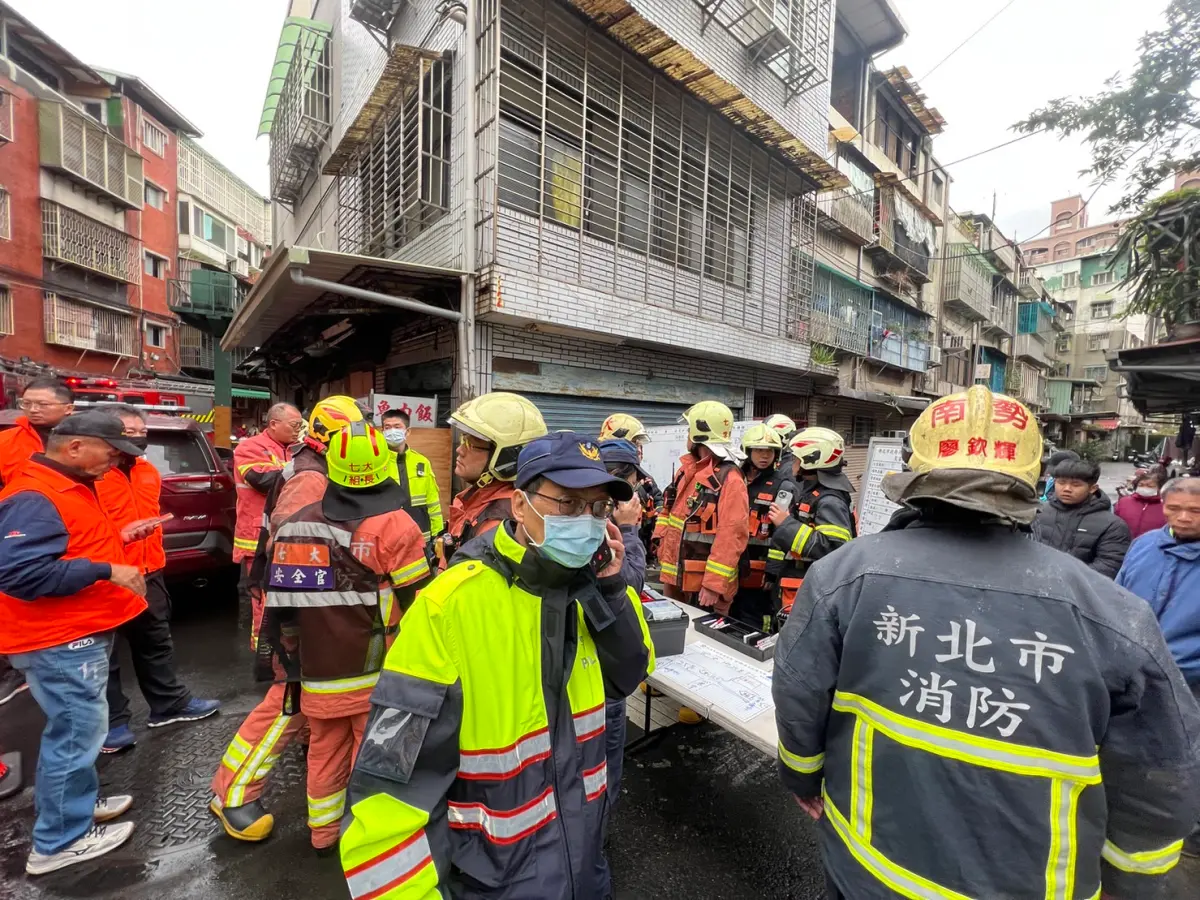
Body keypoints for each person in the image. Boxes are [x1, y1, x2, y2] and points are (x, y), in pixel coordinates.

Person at [772, 386, 1200, 900]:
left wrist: (801, 777)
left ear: (913, 473)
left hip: (868, 867)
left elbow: (799, 692)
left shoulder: (845, 574)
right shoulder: (1111, 612)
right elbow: (1160, 771)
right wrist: (1134, 882)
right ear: (1033, 482)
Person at [339, 431, 654, 899]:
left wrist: (609, 589)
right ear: (520, 506)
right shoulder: (449, 609)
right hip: (493, 885)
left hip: (585, 873)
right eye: (567, 504)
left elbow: (630, 674)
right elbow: (389, 799)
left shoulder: (598, 589)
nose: (585, 522)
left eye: (597, 509)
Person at [251, 420, 432, 851]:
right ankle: (366, 840)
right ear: (385, 465)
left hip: (315, 671)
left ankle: (324, 833)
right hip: (376, 672)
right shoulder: (395, 526)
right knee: (374, 758)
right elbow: (419, 604)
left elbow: (285, 607)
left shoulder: (295, 526)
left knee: (324, 754)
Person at [0, 411, 158, 875]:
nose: (114, 463)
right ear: (74, 447)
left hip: (74, 630)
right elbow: (20, 573)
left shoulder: (67, 487)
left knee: (80, 730)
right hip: (59, 638)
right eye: (110, 453)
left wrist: (119, 539)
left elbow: (68, 548)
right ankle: (59, 842)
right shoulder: (34, 496)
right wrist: (108, 569)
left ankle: (77, 807)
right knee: (74, 734)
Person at [209, 395, 364, 842]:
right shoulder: (310, 480)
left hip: (304, 606)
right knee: (291, 697)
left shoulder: (310, 467)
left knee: (305, 703)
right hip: (299, 609)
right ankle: (233, 791)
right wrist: (301, 630)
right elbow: (295, 558)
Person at [98, 406, 219, 753]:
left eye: (140, 429)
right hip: (106, 574)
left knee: (156, 641)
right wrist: (118, 537)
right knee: (105, 655)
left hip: (149, 569)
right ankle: (112, 722)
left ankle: (167, 705)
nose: (136, 436)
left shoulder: (148, 471)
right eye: (127, 430)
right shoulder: (91, 475)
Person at [1116, 477, 1200, 856]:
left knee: (1189, 755)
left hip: (1191, 680)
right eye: (1174, 508)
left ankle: (1192, 827)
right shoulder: (1145, 546)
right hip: (1135, 670)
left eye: (1195, 512)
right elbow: (1118, 598)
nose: (1183, 518)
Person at [655, 401, 749, 616]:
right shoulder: (686, 470)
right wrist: (660, 545)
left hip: (704, 586)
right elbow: (671, 514)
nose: (687, 434)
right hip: (677, 575)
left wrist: (713, 584)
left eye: (690, 429)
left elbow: (732, 534)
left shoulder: (730, 478)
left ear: (699, 434)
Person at [598, 438, 649, 818]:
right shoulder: (601, 527)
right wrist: (628, 530)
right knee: (600, 775)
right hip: (602, 676)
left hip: (595, 667)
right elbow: (627, 583)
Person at [440, 392, 547, 563]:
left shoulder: (499, 522)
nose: (460, 450)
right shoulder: (478, 499)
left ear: (507, 457)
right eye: (463, 439)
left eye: (472, 444)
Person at [767, 426, 855, 624]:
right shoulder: (814, 491)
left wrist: (786, 524)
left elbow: (833, 548)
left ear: (811, 460)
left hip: (811, 586)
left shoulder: (830, 499)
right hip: (800, 581)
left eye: (797, 458)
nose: (793, 463)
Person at [232, 403, 302, 628]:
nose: (297, 430)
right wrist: (304, 468)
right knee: (263, 597)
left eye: (300, 426)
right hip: (257, 538)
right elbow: (261, 481)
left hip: (289, 535)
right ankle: (265, 653)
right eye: (294, 425)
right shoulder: (250, 448)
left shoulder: (296, 449)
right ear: (273, 424)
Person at [733, 423, 796, 632]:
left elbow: (782, 531)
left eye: (770, 451)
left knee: (755, 616)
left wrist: (772, 572)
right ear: (747, 451)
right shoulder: (735, 478)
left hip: (759, 566)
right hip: (732, 560)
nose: (764, 455)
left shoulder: (783, 485)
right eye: (759, 450)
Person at [1032, 456, 1131, 578]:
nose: (1067, 489)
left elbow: (1109, 565)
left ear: (1092, 488)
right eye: (1061, 482)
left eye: (1076, 484)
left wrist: (1062, 579)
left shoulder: (1113, 526)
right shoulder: (1038, 512)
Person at [599, 414, 661, 559]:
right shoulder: (599, 478)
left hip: (637, 549)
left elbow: (658, 499)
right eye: (635, 442)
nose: (639, 449)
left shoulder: (645, 479)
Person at [382, 407, 444, 544]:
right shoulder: (377, 462)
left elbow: (433, 502)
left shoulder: (422, 462)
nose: (392, 431)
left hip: (421, 538)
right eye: (387, 427)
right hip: (389, 539)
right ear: (382, 432)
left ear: (407, 431)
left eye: (397, 426)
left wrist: (438, 534)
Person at [0, 376, 74, 486]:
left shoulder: (88, 439)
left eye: (43, 404)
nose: (33, 410)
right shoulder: (4, 439)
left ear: (68, 408)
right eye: (26, 403)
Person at [1114, 465, 1169, 539]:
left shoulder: (1166, 505)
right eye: (1141, 485)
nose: (1145, 488)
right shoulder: (1124, 502)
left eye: (1150, 486)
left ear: (1159, 488)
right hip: (1123, 544)